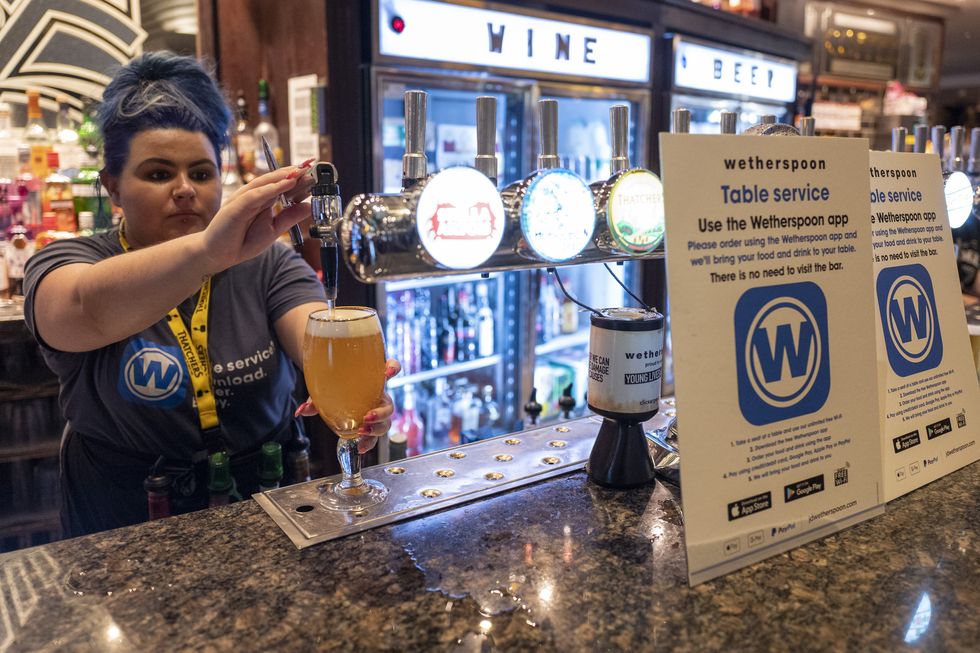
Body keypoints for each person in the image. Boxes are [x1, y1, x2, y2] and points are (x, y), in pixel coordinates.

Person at [23, 51, 398, 537]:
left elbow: (312, 334)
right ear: (112, 187)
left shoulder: (266, 262)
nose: (185, 190)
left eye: (201, 174)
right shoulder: (70, 262)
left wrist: (359, 390)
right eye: (159, 174)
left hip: (266, 504)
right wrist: (206, 253)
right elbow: (80, 311)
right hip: (126, 520)